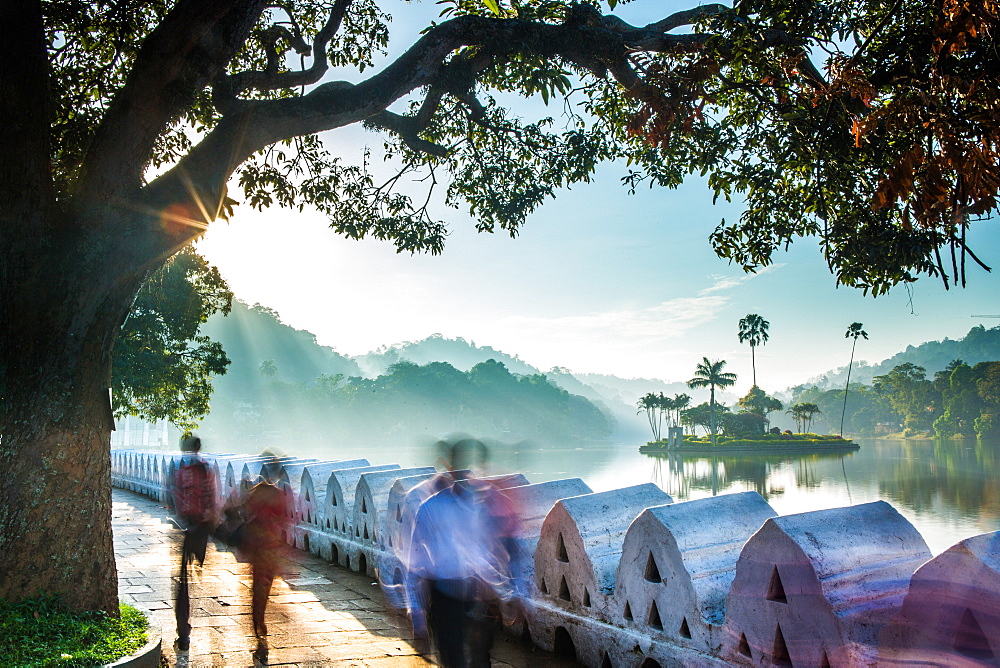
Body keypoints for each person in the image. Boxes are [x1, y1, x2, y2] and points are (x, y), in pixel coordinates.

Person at [169, 433, 218, 651]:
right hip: (200, 528)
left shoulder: (179, 468)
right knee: (186, 580)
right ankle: (183, 631)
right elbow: (212, 498)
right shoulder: (204, 467)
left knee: (182, 582)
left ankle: (183, 632)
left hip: (185, 527)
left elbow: (172, 496)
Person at [239, 476, 292, 663]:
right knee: (266, 586)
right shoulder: (278, 494)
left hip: (258, 547)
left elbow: (243, 512)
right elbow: (284, 516)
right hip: (271, 547)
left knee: (257, 588)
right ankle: (260, 623)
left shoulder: (258, 492)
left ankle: (259, 624)